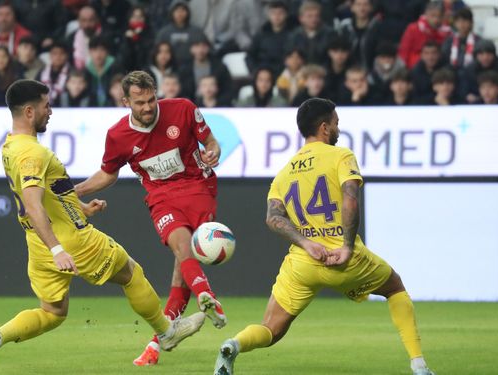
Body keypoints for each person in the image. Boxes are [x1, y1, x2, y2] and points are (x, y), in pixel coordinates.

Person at [0, 79, 206, 375]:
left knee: (52, 312)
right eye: (45, 105)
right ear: (29, 111)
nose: (50, 111)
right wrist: (58, 249)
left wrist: (81, 208)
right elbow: (33, 204)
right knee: (131, 273)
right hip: (68, 241)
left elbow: (51, 195)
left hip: (37, 243)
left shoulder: (11, 146)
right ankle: (166, 332)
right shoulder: (32, 155)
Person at [213, 97, 435, 375]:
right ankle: (419, 364)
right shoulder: (341, 155)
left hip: (304, 262)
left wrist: (306, 243)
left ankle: (233, 345)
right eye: (336, 123)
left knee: (271, 329)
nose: (338, 128)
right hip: (345, 261)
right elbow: (350, 198)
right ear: (324, 127)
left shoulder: (283, 173)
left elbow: (273, 218)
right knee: (394, 288)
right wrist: (345, 247)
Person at [75, 70, 226, 367]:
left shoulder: (183, 109)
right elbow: (108, 172)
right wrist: (74, 189)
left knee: (182, 272)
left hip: (197, 187)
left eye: (151, 99)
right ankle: (207, 295)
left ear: (157, 94)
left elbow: (212, 142)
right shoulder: (118, 136)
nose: (147, 107)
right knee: (182, 246)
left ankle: (158, 343)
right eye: (140, 102)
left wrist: (212, 152)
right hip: (160, 195)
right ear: (125, 102)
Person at [398, 1, 451, 69]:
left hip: (438, 70)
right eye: (433, 15)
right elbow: (404, 52)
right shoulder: (413, 29)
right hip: (413, 68)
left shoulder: (447, 32)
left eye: (439, 16)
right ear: (426, 14)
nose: (436, 19)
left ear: (443, 16)